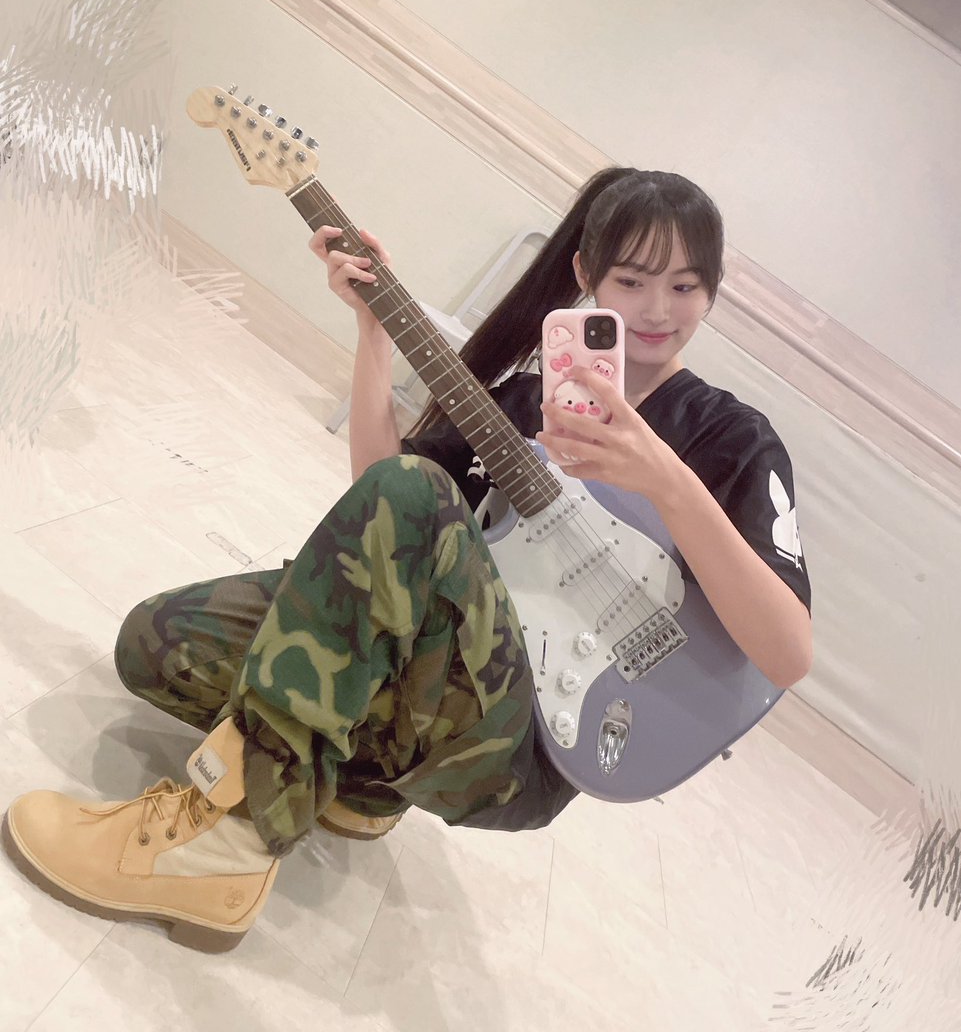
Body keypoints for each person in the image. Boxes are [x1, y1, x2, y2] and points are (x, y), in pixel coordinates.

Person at [3, 167, 812, 951]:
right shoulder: (523, 402)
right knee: (159, 643)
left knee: (414, 496)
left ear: (711, 290)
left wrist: (665, 479)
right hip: (438, 678)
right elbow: (380, 497)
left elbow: (786, 652)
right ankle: (362, 783)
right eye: (631, 281)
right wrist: (373, 337)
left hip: (522, 744)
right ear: (584, 275)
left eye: (684, 286)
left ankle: (224, 849)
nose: (657, 310)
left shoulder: (729, 437)